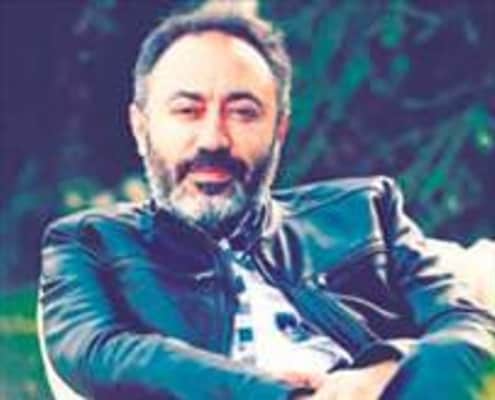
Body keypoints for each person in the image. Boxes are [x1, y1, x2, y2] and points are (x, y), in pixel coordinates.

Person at [39, 3, 495, 400]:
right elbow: (96, 350)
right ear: (141, 128)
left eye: (243, 112)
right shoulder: (88, 242)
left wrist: (390, 364)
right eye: (187, 110)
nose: (213, 138)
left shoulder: (366, 211)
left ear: (279, 129)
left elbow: (469, 328)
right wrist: (279, 394)